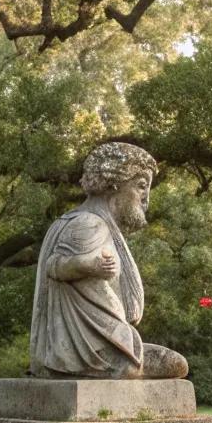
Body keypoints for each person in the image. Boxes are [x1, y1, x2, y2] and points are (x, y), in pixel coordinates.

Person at [30, 141, 187, 379]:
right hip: (92, 354)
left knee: (170, 361)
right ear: (114, 184)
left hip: (95, 347)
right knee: (176, 365)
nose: (146, 199)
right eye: (141, 186)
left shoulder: (76, 221)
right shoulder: (89, 224)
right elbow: (57, 265)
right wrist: (88, 264)